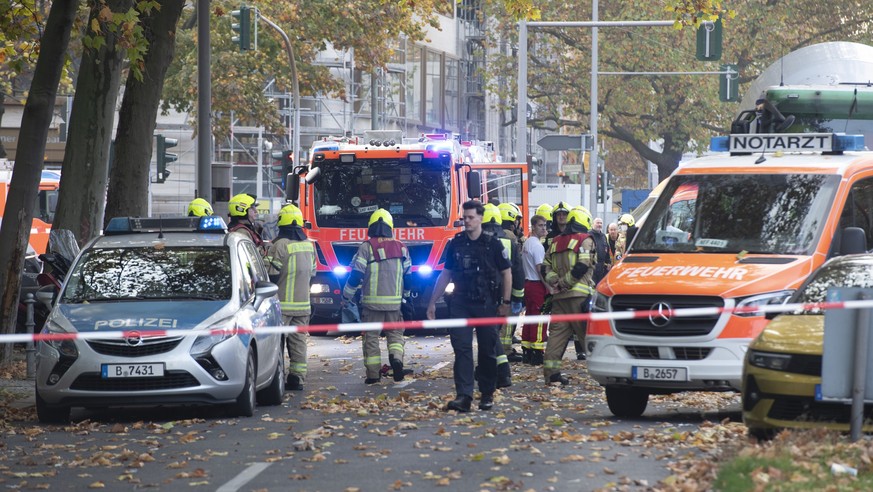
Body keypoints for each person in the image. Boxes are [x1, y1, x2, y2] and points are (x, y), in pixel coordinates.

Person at [427, 200, 511, 412]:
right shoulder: (455, 244)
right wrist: (432, 302)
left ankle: (487, 393)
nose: (467, 221)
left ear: (481, 218)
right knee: (462, 349)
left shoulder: (493, 244)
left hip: (486, 304)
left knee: (487, 351)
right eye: (464, 217)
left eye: (471, 217)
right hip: (461, 303)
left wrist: (506, 302)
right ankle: (464, 395)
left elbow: (506, 273)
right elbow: (445, 274)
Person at [342, 209, 412, 384]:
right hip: (395, 304)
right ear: (390, 227)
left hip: (372, 305)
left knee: (371, 338)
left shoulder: (366, 247)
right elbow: (409, 277)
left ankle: (373, 375)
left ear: (370, 227)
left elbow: (356, 275)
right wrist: (406, 297)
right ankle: (396, 359)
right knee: (395, 335)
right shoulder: (401, 247)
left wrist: (346, 296)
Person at [542, 208, 595, 385]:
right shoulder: (585, 240)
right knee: (588, 337)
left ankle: (551, 374)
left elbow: (545, 266)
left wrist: (555, 282)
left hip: (559, 299)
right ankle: (601, 375)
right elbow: (583, 265)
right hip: (579, 297)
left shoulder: (556, 241)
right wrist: (565, 282)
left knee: (556, 336)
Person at [265, 204, 315, 391]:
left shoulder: (279, 245)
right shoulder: (309, 245)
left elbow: (271, 276)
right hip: (303, 305)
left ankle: (274, 378)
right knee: (299, 342)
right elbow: (313, 274)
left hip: (281, 305)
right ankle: (297, 378)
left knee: (276, 343)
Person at [481, 203, 516, 386]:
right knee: (490, 333)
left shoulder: (480, 240)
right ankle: (493, 370)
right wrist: (517, 297)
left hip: (485, 294)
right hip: (504, 294)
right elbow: (516, 270)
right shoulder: (509, 241)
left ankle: (502, 372)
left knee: (490, 334)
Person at [497, 202, 526, 361]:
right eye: (516, 220)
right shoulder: (510, 237)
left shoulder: (496, 234)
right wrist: (518, 293)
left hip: (495, 284)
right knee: (508, 321)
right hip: (509, 283)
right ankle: (505, 350)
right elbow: (517, 265)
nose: (517, 223)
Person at [521, 213, 551, 365]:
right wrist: (549, 287)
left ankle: (527, 349)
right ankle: (537, 352)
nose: (544, 228)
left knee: (530, 317)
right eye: (540, 225)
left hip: (528, 283)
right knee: (540, 318)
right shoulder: (537, 246)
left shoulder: (527, 243)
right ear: (533, 227)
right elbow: (540, 269)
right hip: (537, 284)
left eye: (545, 225)